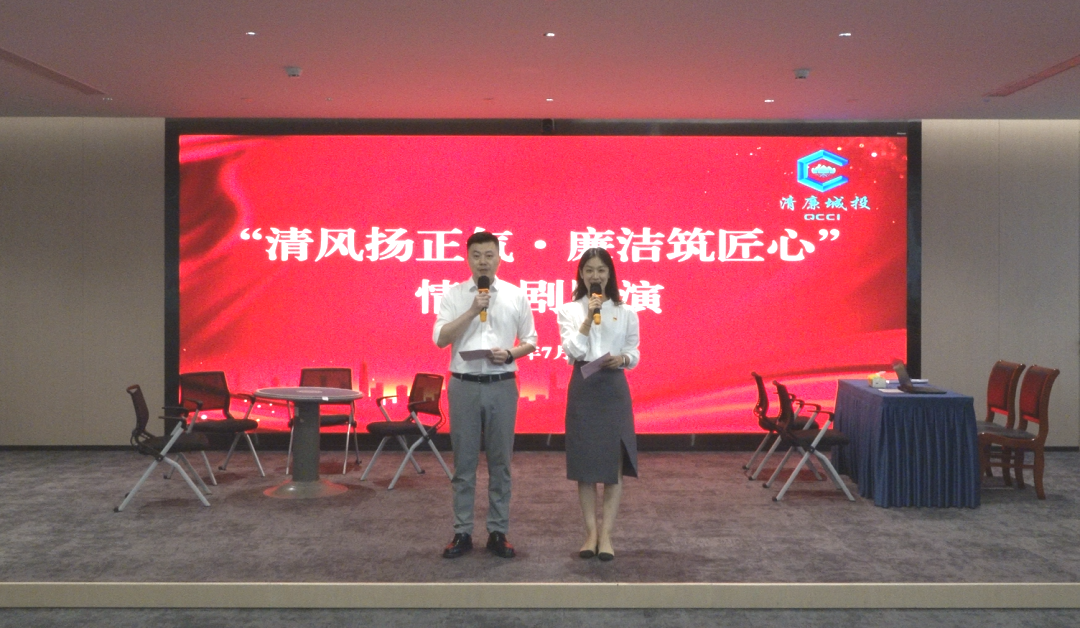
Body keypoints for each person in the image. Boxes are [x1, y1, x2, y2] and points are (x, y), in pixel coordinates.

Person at [433, 231, 537, 559]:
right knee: (463, 463)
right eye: (476, 255)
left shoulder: (516, 295)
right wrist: (470, 311)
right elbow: (440, 338)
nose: (483, 261)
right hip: (463, 385)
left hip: (502, 384)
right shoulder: (453, 295)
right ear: (467, 258)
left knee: (500, 463)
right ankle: (462, 531)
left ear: (499, 257)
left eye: (489, 255)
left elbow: (531, 340)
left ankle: (498, 531)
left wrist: (509, 354)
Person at [556, 247, 639, 562]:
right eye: (589, 270)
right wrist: (588, 319)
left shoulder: (625, 311)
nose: (595, 276)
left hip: (614, 387)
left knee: (613, 466)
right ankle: (590, 533)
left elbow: (634, 350)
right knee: (586, 464)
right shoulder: (569, 310)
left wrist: (624, 359)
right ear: (581, 274)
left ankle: (607, 535)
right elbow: (573, 352)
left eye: (601, 270)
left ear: (610, 274)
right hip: (584, 386)